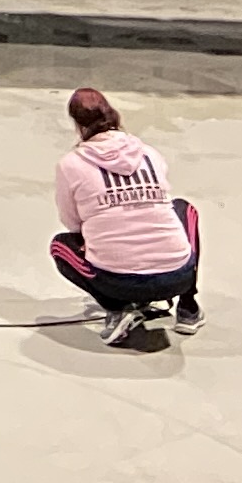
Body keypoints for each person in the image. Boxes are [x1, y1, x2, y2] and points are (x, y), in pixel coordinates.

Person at [50, 88, 203, 339]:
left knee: (60, 246)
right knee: (184, 209)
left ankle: (117, 309)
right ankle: (188, 307)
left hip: (118, 283)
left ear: (78, 124)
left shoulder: (71, 164)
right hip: (177, 276)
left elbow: (72, 223)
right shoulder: (149, 153)